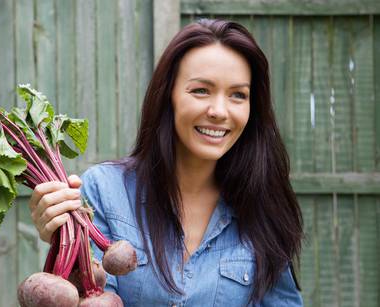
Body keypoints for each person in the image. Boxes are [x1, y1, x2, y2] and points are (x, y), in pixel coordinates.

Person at [29, 19, 304, 306]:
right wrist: (65, 245)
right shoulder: (103, 190)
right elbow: (89, 296)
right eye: (201, 90)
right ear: (168, 95)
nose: (220, 111)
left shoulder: (262, 206)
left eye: (238, 95)